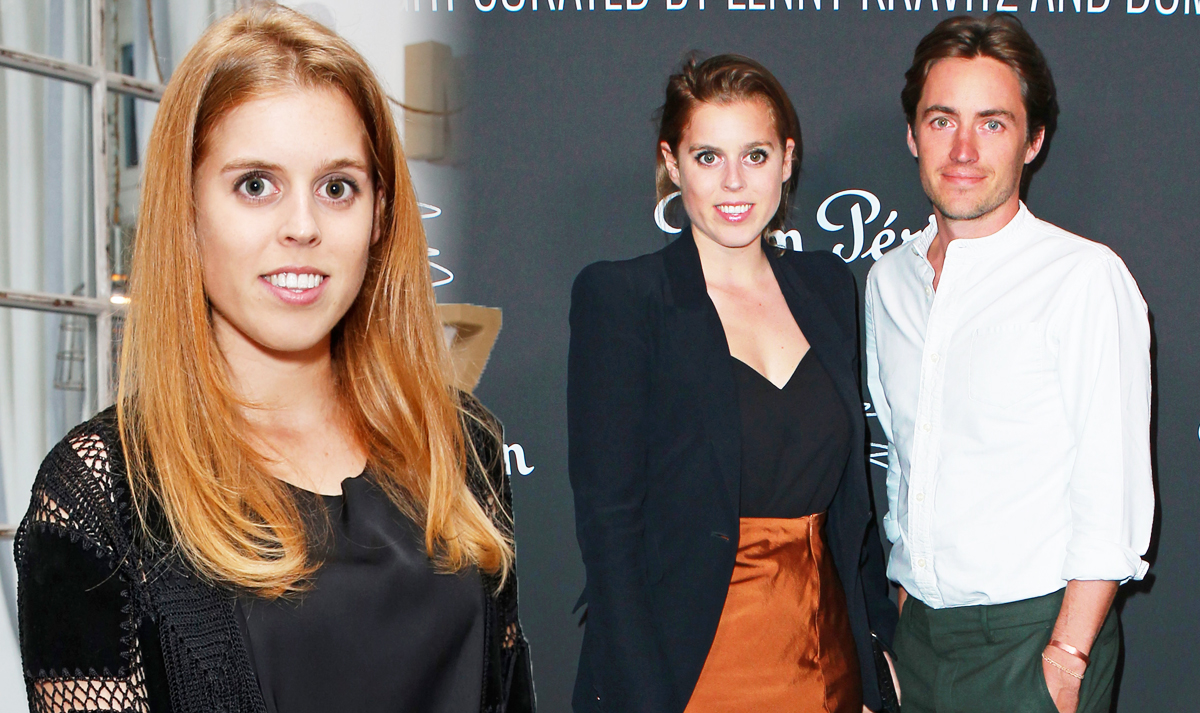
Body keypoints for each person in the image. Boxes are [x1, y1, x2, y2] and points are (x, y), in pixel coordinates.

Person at [15, 6, 533, 713]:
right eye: (255, 184)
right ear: (186, 209)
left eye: (337, 187)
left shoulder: (461, 444)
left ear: (380, 215)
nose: (303, 227)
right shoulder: (103, 491)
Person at [568, 54, 898, 713]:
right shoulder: (625, 299)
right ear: (672, 164)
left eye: (755, 155)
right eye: (707, 157)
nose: (733, 182)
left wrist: (873, 655)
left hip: (824, 663)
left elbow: (851, 509)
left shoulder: (828, 288)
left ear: (787, 159)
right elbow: (610, 535)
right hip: (689, 671)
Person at [864, 14, 1153, 713]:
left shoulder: (1082, 278)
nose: (963, 149)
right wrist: (903, 606)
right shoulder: (888, 282)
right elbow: (903, 458)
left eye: (992, 123)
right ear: (913, 135)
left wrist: (1067, 658)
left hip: (1037, 640)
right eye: (942, 120)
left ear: (1034, 140)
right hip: (918, 636)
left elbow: (1111, 490)